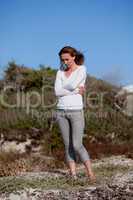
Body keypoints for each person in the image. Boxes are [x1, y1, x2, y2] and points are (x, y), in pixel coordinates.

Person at [54, 46, 95, 181]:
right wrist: (75, 91)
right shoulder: (59, 72)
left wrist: (68, 88)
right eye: (62, 60)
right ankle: (73, 175)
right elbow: (57, 92)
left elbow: (71, 84)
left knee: (77, 144)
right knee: (68, 145)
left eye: (67, 59)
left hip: (76, 110)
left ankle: (91, 174)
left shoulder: (82, 69)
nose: (65, 62)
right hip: (61, 111)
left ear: (73, 57)